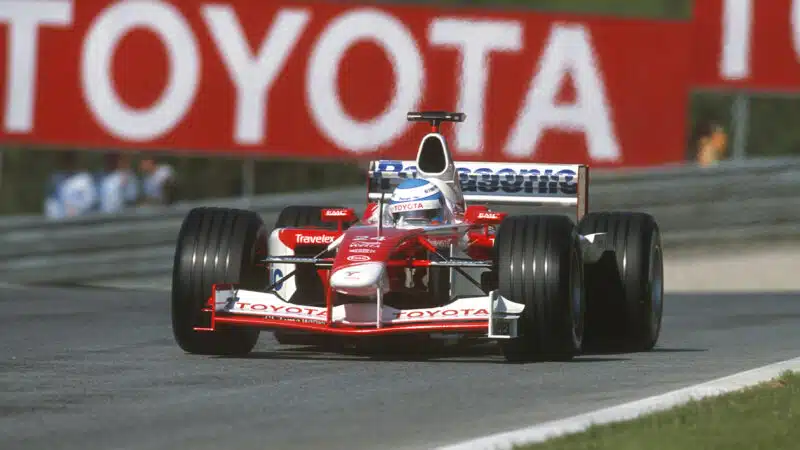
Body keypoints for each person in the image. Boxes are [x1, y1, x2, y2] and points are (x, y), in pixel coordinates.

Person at [44, 151, 98, 219]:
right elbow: (51, 201)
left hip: (81, 220)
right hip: (60, 220)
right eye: (66, 159)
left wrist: (77, 209)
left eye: (71, 159)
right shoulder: (56, 178)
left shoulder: (85, 179)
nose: (69, 162)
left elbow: (90, 200)